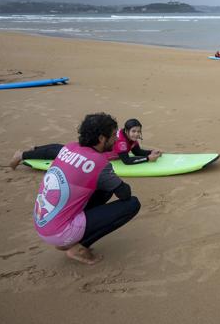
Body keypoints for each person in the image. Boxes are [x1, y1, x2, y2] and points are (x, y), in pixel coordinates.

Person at [32, 112, 141, 265]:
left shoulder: (69, 147)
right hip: (58, 231)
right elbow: (125, 194)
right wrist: (109, 175)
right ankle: (79, 247)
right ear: (102, 138)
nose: (116, 138)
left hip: (42, 222)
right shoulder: (98, 162)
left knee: (106, 188)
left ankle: (68, 239)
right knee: (132, 204)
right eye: (112, 135)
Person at [9, 118, 161, 168]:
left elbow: (137, 153)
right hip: (89, 154)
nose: (136, 134)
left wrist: (151, 152)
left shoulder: (131, 140)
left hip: (90, 148)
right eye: (133, 131)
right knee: (59, 152)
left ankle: (35, 148)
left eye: (138, 131)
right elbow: (126, 161)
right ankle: (21, 155)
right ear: (126, 131)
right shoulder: (121, 142)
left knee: (61, 148)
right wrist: (148, 159)